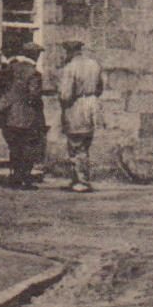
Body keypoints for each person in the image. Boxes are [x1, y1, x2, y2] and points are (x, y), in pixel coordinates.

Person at [0, 42, 46, 190]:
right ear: (36, 55)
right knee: (28, 147)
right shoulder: (34, 73)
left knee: (14, 148)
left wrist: (1, 106)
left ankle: (15, 178)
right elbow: (34, 96)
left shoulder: (10, 69)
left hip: (9, 116)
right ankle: (25, 179)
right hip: (27, 116)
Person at [57, 41, 103, 193]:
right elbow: (100, 87)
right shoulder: (94, 65)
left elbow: (65, 94)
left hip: (76, 107)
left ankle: (82, 181)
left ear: (70, 52)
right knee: (85, 144)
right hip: (92, 106)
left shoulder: (70, 68)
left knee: (76, 144)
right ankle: (77, 179)